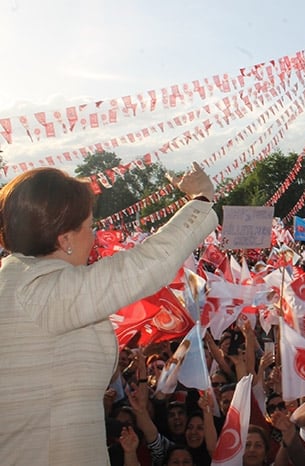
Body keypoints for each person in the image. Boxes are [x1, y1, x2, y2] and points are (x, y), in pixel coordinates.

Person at [0, 163, 218, 465]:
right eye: (90, 226)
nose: (93, 237)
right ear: (64, 239)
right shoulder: (38, 290)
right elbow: (144, 265)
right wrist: (202, 200)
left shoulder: (18, 284)